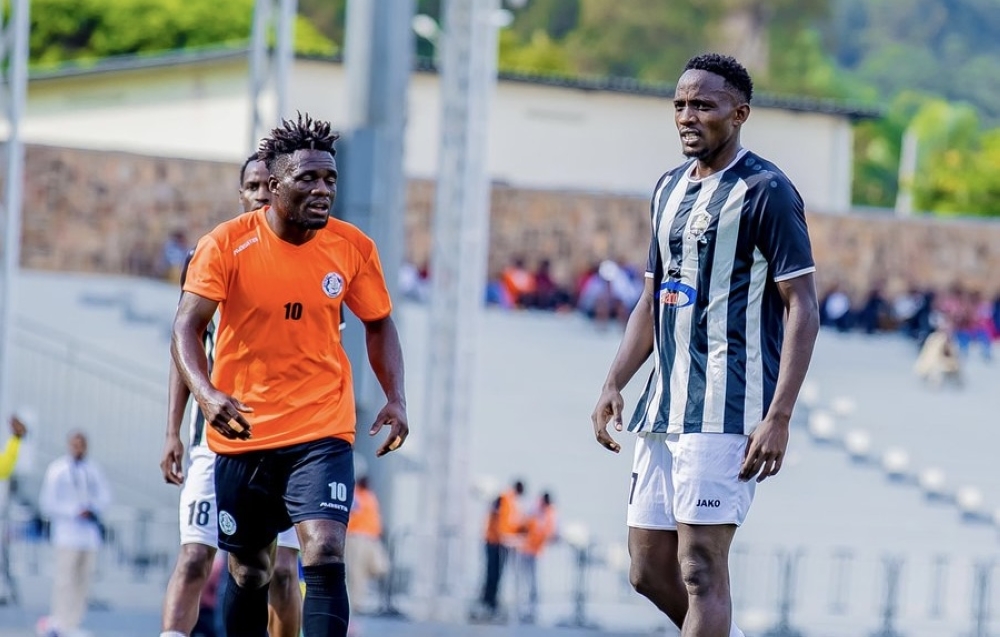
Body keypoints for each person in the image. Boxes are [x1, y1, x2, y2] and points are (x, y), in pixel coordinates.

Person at [590, 53, 819, 637]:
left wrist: (779, 416)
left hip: (728, 407)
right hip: (664, 407)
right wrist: (614, 381)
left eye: (704, 104)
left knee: (700, 569)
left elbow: (803, 307)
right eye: (680, 104)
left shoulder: (767, 190)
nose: (688, 115)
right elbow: (651, 298)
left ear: (739, 113)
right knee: (646, 570)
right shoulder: (667, 189)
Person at [171, 112, 408, 637]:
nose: (324, 190)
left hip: (321, 430)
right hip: (244, 432)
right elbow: (185, 329)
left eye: (330, 180)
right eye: (308, 179)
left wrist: (395, 396)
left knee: (323, 548)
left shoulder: (352, 247)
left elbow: (379, 322)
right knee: (250, 568)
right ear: (274, 186)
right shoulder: (225, 244)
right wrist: (207, 395)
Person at [159, 153, 303, 637]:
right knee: (196, 555)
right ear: (242, 194)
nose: (263, 193)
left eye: (270, 184)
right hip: (215, 442)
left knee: (281, 570)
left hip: (288, 442)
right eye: (253, 186)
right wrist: (173, 432)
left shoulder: (308, 253)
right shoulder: (214, 252)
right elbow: (185, 348)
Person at [38, 431, 112, 637]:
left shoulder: (94, 470)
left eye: (82, 444)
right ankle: (59, 621)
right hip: (67, 533)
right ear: (69, 445)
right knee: (65, 579)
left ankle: (74, 622)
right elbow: (47, 502)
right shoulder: (57, 470)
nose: (79, 448)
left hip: (88, 536)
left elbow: (105, 496)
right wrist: (73, 511)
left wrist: (92, 508)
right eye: (75, 444)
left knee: (84, 579)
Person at [345, 475, 389, 614]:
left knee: (381, 567)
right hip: (357, 537)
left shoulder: (369, 495)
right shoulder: (355, 495)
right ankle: (356, 603)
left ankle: (359, 597)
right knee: (357, 572)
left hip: (371, 538)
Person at [516, 491, 557, 624]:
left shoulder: (550, 513)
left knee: (534, 583)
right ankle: (521, 609)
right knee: (522, 581)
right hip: (526, 550)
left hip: (536, 552)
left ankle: (533, 610)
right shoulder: (534, 508)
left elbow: (551, 532)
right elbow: (524, 524)